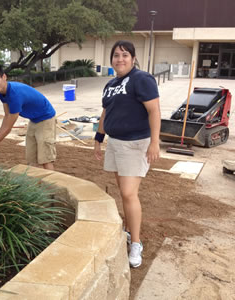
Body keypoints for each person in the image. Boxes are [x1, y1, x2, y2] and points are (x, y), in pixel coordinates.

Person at [94, 40, 161, 268]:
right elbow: (106, 111)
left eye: (125, 55)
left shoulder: (142, 79)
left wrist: (155, 142)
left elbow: (154, 110)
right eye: (116, 55)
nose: (119, 59)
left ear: (133, 58)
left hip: (135, 144)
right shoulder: (111, 84)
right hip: (115, 143)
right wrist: (98, 138)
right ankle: (129, 228)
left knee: (129, 193)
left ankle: (137, 243)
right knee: (123, 193)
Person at [0, 63, 56, 170]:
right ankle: (34, 185)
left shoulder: (15, 95)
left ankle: (51, 185)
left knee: (45, 158)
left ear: (4, 77)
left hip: (46, 119)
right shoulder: (2, 92)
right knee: (31, 158)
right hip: (34, 120)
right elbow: (7, 116)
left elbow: (8, 127)